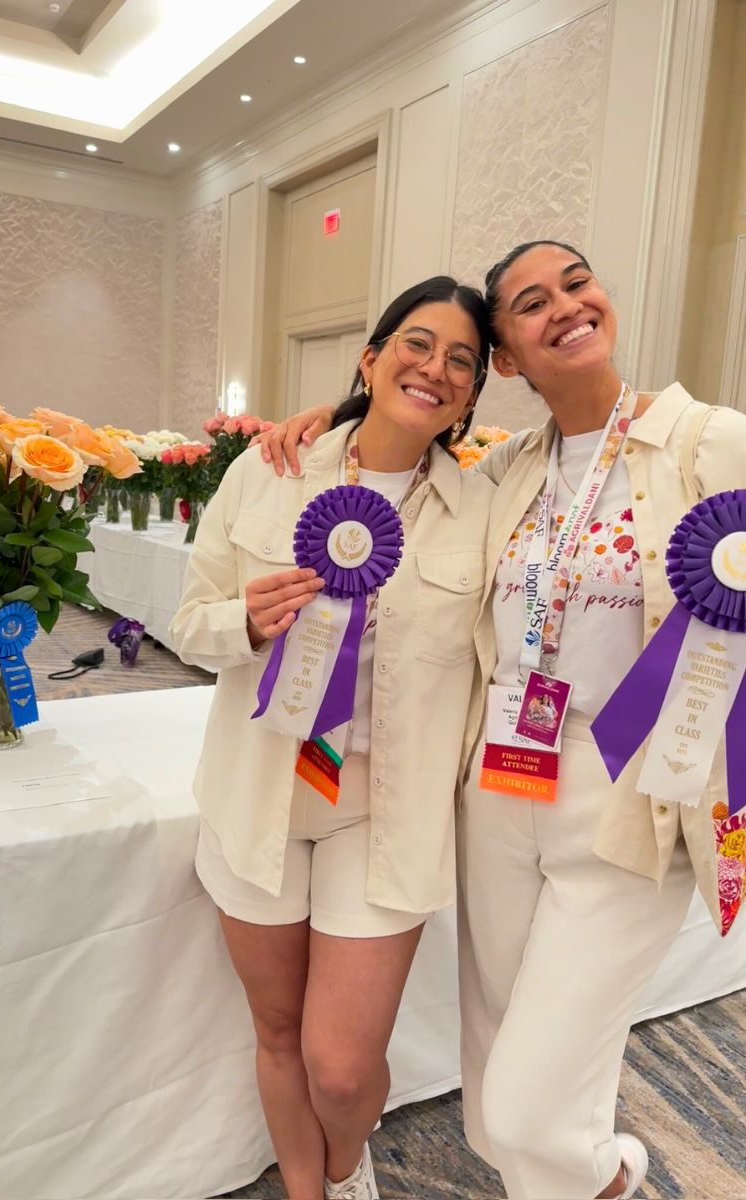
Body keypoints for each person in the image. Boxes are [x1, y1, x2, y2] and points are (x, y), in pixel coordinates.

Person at [251, 240, 746, 1200]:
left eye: (576, 283)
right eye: (529, 302)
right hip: (501, 790)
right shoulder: (509, 469)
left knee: (526, 1109)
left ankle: (611, 1175)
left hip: (626, 802)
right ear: (509, 359)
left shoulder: (707, 441)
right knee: (493, 1109)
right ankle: (596, 1178)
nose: (564, 305)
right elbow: (395, 455)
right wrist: (331, 422)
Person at [170, 276, 494, 1200]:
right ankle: (309, 1194)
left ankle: (347, 1166)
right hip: (258, 792)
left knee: (343, 1067)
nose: (434, 369)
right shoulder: (268, 472)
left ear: (472, 397)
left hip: (382, 809)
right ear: (372, 357)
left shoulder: (483, 507)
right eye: (416, 345)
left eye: (460, 362)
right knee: (277, 1034)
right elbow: (189, 620)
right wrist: (245, 623)